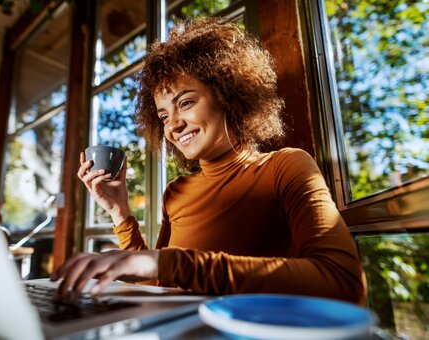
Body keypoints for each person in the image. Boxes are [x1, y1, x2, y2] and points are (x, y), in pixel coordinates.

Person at [51, 17, 367, 305]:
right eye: (163, 115)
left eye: (185, 103)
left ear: (229, 95)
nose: (172, 125)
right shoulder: (175, 192)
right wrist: (120, 213)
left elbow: (342, 281)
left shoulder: (285, 167)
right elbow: (158, 282)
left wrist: (170, 262)